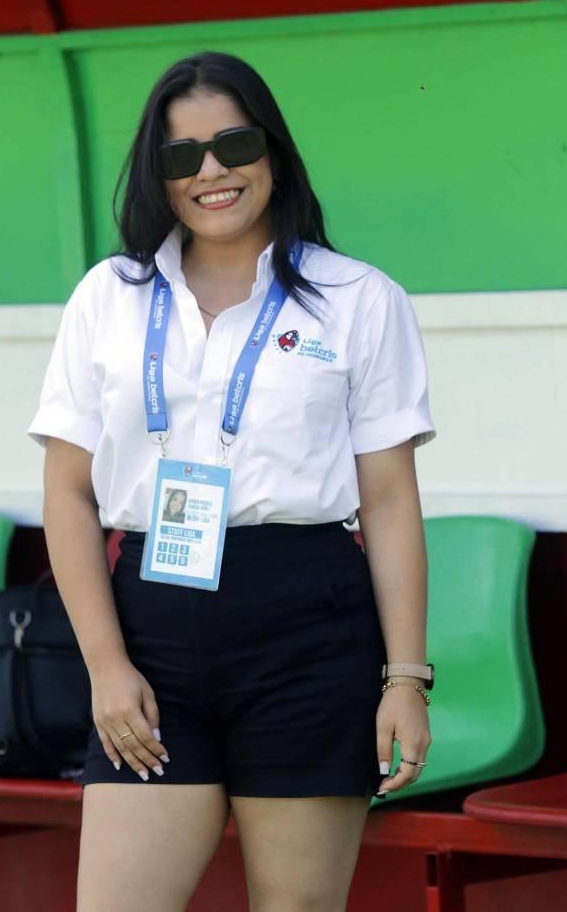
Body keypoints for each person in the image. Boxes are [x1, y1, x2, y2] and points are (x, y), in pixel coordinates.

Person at [27, 49, 437, 912]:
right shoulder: (108, 295)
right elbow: (68, 491)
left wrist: (405, 679)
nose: (211, 172)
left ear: (273, 150)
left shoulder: (360, 299)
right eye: (182, 156)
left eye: (232, 144)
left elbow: (391, 499)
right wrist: (105, 666)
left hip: (307, 630)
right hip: (150, 633)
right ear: (158, 174)